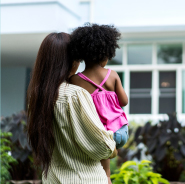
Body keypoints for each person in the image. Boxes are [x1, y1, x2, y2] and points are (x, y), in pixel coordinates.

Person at [26, 32, 118, 184]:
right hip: (84, 179)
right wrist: (112, 146)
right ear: (70, 61)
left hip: (52, 179)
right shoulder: (74, 95)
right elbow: (101, 147)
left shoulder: (36, 97)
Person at [69, 24, 129, 182]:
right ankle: (107, 176)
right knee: (105, 154)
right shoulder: (112, 75)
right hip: (120, 130)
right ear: (106, 53)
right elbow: (124, 101)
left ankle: (106, 177)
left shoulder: (75, 80)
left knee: (102, 165)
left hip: (97, 133)